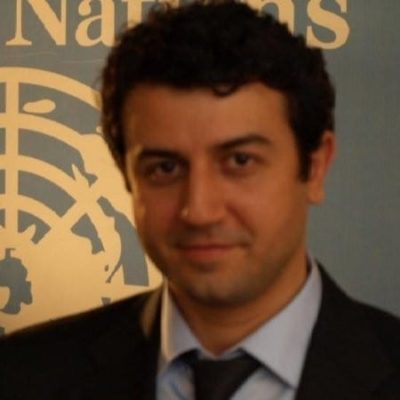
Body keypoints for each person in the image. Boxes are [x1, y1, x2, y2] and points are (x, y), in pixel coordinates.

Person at [1, 1, 400, 399]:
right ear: (127, 176)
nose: (199, 211)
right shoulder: (19, 377)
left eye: (240, 161)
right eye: (165, 168)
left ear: (315, 168)